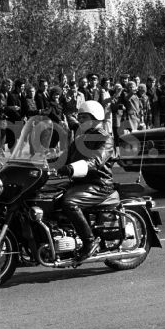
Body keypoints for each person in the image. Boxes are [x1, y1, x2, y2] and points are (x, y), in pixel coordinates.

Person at [57, 100, 115, 262]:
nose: (79, 120)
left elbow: (96, 161)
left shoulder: (105, 138)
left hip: (99, 184)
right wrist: (43, 162)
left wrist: (72, 169)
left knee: (69, 202)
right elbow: (64, 159)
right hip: (79, 182)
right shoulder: (80, 139)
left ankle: (90, 242)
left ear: (95, 118)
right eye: (79, 117)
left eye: (84, 117)